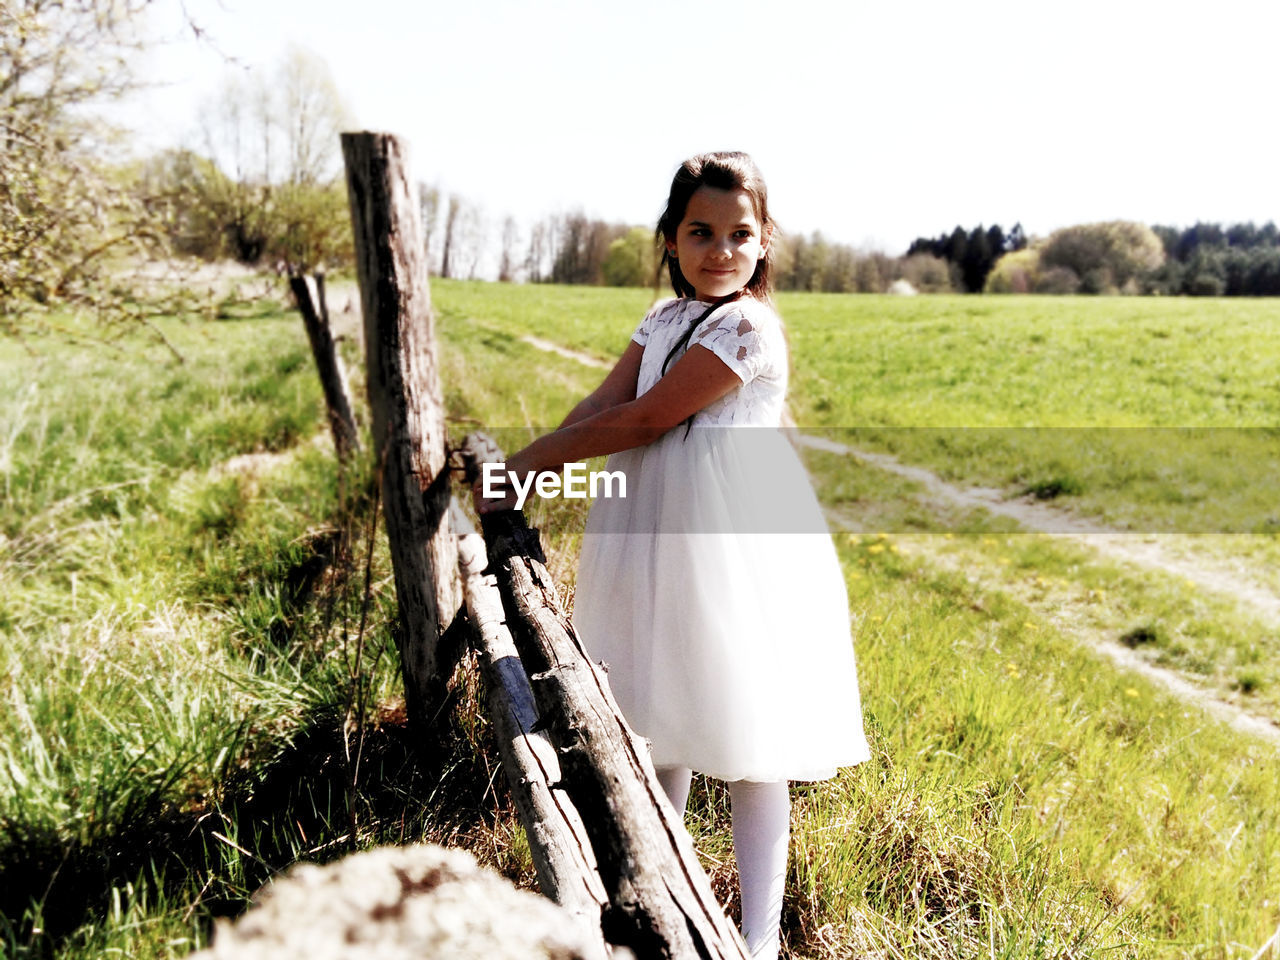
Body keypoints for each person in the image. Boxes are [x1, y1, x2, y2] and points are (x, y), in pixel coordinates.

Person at [475, 151, 869, 959]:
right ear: (671, 237)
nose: (720, 249)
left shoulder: (747, 326)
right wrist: (532, 453)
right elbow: (608, 403)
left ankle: (757, 942)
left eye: (740, 233)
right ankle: (663, 892)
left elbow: (650, 420)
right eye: (700, 231)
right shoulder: (661, 318)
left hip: (731, 540)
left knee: (751, 731)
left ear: (764, 246)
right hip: (651, 529)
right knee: (657, 709)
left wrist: (532, 463)